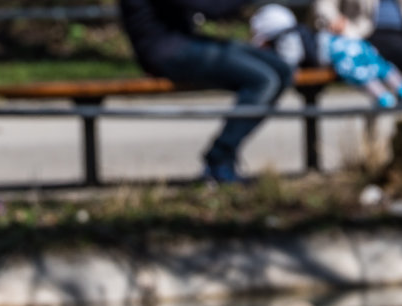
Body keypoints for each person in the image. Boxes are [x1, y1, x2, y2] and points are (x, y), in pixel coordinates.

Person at [119, 0, 294, 183]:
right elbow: (212, 8)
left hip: (185, 41)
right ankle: (219, 158)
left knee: (282, 70)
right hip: (166, 52)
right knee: (264, 81)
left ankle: (222, 157)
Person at [252, 3, 402, 107]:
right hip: (349, 40)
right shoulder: (296, 31)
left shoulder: (287, 39)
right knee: (376, 62)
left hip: (335, 51)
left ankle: (382, 96)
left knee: (358, 72)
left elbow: (289, 62)